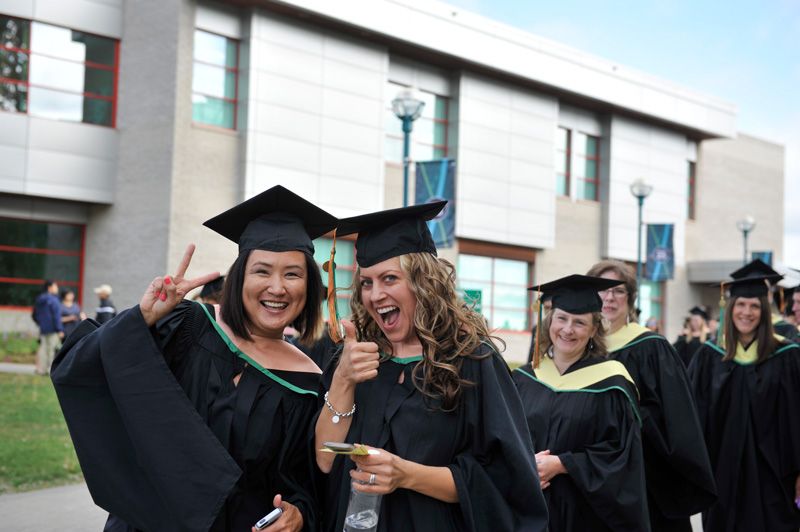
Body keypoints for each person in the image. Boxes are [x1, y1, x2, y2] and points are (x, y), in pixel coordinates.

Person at [52, 186, 337, 532]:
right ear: (239, 278)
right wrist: (141, 319)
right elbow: (81, 367)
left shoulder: (307, 383)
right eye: (262, 271)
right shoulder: (187, 325)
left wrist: (299, 514)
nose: (277, 287)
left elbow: (305, 482)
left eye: (292, 274)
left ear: (308, 287)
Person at [315, 203, 548, 532]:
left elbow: (502, 480)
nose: (376, 294)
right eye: (366, 282)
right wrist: (343, 378)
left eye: (390, 278)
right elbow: (325, 459)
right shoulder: (358, 357)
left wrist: (406, 474)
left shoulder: (472, 362)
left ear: (423, 282)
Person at [586, 260, 716, 532]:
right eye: (602, 290)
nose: (609, 297)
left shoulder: (651, 348)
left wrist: (627, 421)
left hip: (643, 474)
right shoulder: (580, 349)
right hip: (590, 475)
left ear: (631, 299)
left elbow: (675, 417)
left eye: (618, 291)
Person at [512, 274, 649, 531]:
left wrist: (564, 464)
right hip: (530, 506)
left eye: (579, 323)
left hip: (586, 513)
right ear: (549, 320)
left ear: (594, 329)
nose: (567, 330)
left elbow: (622, 456)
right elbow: (504, 438)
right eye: (561, 318)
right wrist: (522, 464)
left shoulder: (611, 383)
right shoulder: (524, 378)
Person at [688, 274, 800, 531]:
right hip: (723, 476)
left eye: (754, 306)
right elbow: (692, 418)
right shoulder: (709, 357)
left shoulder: (788, 356)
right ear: (729, 308)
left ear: (764, 310)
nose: (746, 312)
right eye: (740, 304)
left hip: (775, 478)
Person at [32, 280, 63, 376]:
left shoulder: (39, 299)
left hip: (43, 328)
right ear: (50, 287)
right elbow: (56, 316)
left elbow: (34, 314)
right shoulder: (54, 300)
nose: (57, 288)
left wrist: (41, 323)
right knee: (52, 349)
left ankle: (42, 370)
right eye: (55, 286)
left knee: (43, 349)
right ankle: (51, 370)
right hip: (53, 329)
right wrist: (59, 329)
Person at [525, 292, 553, 364]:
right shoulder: (537, 328)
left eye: (552, 307)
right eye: (546, 307)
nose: (549, 311)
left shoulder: (564, 329)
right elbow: (532, 353)